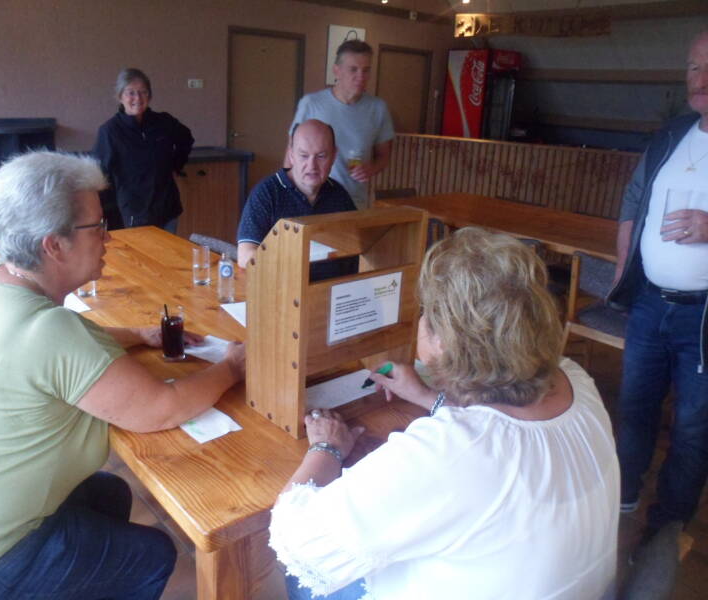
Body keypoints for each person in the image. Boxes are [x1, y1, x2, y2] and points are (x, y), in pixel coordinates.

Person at [0, 151, 245, 599]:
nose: (109, 237)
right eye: (97, 226)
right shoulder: (50, 332)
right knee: (152, 555)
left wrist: (139, 334)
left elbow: (70, 345)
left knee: (109, 495)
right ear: (54, 245)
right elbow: (162, 409)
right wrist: (233, 366)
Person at [269, 228, 619, 600]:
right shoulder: (574, 378)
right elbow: (506, 433)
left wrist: (326, 448)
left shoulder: (452, 450)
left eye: (426, 313)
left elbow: (295, 540)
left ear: (445, 340)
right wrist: (427, 396)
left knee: (301, 580)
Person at [609, 30, 708, 539]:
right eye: (694, 67)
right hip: (650, 302)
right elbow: (633, 200)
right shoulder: (673, 133)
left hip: (702, 315)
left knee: (692, 425)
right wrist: (626, 267)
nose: (701, 79)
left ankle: (666, 529)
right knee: (635, 406)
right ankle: (621, 498)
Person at [237, 119, 357, 280]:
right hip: (284, 286)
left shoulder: (339, 195)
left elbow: (359, 247)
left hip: (334, 289)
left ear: (334, 156)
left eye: (321, 156)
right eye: (303, 156)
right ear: (291, 155)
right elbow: (245, 255)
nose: (312, 166)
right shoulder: (267, 193)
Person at [288, 40, 394, 210]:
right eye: (353, 69)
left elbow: (384, 156)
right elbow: (291, 155)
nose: (361, 76)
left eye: (366, 70)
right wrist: (287, 197)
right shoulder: (311, 104)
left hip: (354, 203)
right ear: (337, 71)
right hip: (311, 203)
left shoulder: (378, 108)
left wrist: (371, 168)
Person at [92, 67, 194, 232]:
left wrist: (176, 165)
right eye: (131, 93)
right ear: (120, 96)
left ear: (149, 96)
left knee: (168, 249)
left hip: (167, 208)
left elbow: (186, 139)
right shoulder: (110, 131)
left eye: (143, 92)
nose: (138, 98)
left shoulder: (164, 122)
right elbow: (100, 174)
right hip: (134, 213)